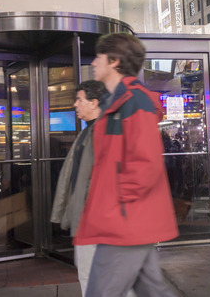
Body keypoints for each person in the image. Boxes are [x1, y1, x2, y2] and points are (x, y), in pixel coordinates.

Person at [74, 33, 178, 297]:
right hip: (127, 218)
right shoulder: (118, 101)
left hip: (124, 220)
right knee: (153, 291)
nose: (94, 61)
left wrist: (118, 204)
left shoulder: (133, 100)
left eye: (99, 56)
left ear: (115, 61)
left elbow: (146, 163)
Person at [51, 80, 123, 297]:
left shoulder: (105, 132)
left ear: (94, 103)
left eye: (79, 100)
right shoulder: (88, 132)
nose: (75, 104)